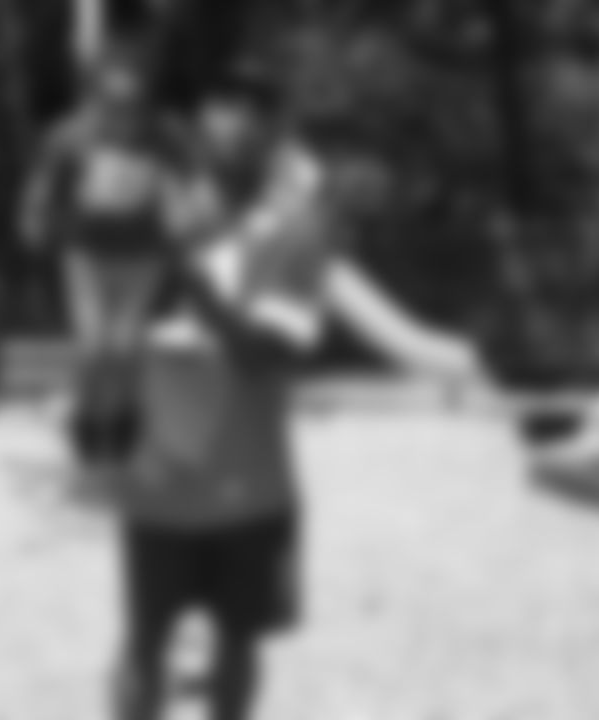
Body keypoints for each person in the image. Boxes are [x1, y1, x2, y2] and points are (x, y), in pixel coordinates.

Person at [109, 65, 483, 720]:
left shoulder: (299, 236)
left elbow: (265, 353)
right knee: (144, 648)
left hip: (251, 493)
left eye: (250, 110)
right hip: (158, 490)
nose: (232, 122)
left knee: (237, 648)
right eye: (220, 104)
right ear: (199, 123)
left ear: (274, 132)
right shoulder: (163, 214)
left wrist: (187, 273)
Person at [19, 42, 187, 471]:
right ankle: (86, 417)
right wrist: (34, 217)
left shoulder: (162, 135)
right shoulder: (71, 134)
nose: (124, 112)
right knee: (93, 345)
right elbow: (43, 183)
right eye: (114, 102)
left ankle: (124, 421)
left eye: (132, 102)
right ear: (98, 96)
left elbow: (183, 184)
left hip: (143, 252)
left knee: (126, 345)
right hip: (87, 253)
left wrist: (182, 216)